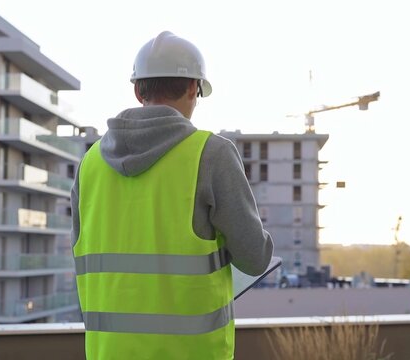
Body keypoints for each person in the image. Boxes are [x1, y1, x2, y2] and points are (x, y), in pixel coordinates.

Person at [71, 31, 273, 360]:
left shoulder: (90, 164)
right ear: (195, 88)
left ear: (138, 90)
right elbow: (254, 258)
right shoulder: (212, 155)